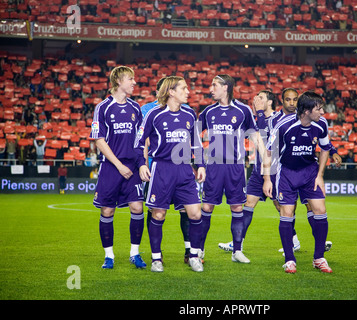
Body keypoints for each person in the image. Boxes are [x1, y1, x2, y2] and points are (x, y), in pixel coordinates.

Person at [135, 76, 206, 273]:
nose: (188, 92)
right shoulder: (154, 115)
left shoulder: (190, 114)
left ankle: (193, 256)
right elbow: (140, 142)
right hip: (161, 169)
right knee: (158, 214)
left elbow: (196, 143)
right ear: (171, 92)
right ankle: (156, 258)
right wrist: (142, 164)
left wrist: (200, 165)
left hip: (184, 169)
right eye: (184, 88)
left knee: (195, 213)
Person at [198, 74, 266, 264]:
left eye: (214, 85)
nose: (211, 89)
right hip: (213, 166)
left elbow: (254, 136)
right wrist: (199, 164)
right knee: (207, 206)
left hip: (236, 167)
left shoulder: (242, 110)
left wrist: (266, 160)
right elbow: (195, 135)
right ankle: (200, 250)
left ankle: (237, 251)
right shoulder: (208, 112)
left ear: (225, 87)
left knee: (237, 207)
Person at [263, 91, 333, 274]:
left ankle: (319, 258)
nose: (322, 112)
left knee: (321, 210)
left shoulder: (321, 124)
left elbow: (325, 149)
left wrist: (320, 175)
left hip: (310, 171)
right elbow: (268, 153)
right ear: (306, 110)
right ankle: (289, 260)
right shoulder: (284, 126)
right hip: (286, 172)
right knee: (287, 212)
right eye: (318, 108)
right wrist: (267, 180)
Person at [90, 65, 146, 270]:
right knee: (107, 210)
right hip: (112, 167)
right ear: (118, 81)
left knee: (137, 207)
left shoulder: (135, 108)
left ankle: (135, 253)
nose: (134, 82)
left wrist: (142, 164)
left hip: (132, 167)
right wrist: (119, 165)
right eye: (130, 79)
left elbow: (140, 141)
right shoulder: (103, 107)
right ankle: (109, 256)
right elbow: (99, 140)